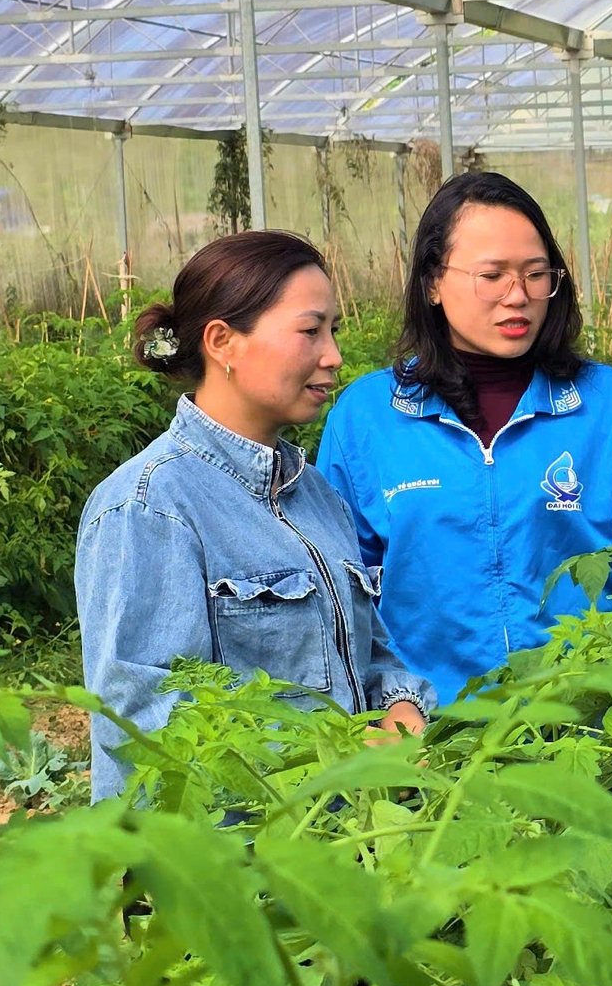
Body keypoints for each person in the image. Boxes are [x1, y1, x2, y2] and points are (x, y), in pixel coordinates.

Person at [317, 172, 612, 703]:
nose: (518, 296)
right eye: (493, 275)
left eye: (535, 273)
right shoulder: (369, 418)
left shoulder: (608, 406)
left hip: (591, 717)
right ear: (433, 282)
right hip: (430, 731)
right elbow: (342, 588)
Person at [76, 231, 432, 802]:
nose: (333, 355)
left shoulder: (318, 496)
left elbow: (369, 654)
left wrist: (401, 707)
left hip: (343, 849)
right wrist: (332, 756)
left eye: (333, 330)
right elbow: (146, 727)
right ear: (223, 342)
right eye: (310, 330)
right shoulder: (151, 507)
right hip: (239, 872)